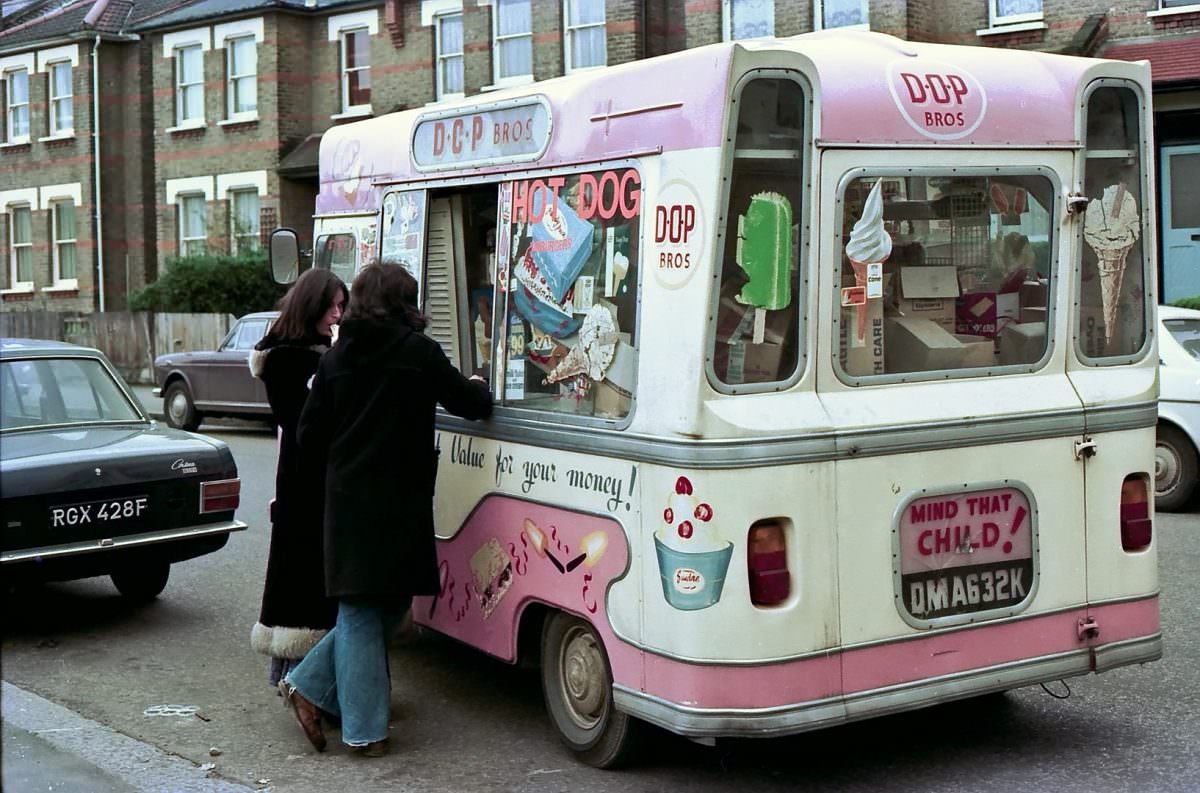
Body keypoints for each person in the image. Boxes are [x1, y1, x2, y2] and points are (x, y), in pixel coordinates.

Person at [279, 263, 493, 757]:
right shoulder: (418, 353)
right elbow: (468, 402)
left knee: (386, 604)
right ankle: (364, 732)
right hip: (399, 500)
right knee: (362, 608)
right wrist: (480, 385)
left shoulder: (335, 361)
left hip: (352, 502)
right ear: (403, 303)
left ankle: (306, 684)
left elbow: (308, 437)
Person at [248, 268, 348, 688]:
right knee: (305, 579)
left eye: (343, 306)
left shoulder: (311, 351)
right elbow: (305, 421)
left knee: (308, 576)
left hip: (309, 477)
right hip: (306, 480)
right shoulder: (291, 358)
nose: (339, 315)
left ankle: (303, 678)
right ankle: (302, 681)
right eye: (334, 306)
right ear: (313, 305)